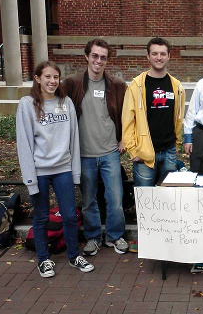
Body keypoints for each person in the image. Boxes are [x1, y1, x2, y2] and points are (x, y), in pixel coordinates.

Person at [16, 61, 94, 277]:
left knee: (69, 216)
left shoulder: (65, 102)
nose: (52, 81)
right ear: (38, 78)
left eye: (55, 77)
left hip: (63, 169)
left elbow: (73, 138)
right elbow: (24, 142)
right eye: (47, 77)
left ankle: (73, 256)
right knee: (41, 217)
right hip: (39, 171)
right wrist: (30, 178)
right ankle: (43, 259)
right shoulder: (27, 104)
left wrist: (75, 171)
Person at [62, 39, 129, 256]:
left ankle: (115, 236)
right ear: (86, 56)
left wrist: (124, 139)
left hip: (110, 152)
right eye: (95, 56)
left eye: (103, 57)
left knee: (115, 200)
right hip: (84, 154)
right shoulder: (72, 83)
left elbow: (128, 115)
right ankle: (92, 237)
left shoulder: (117, 86)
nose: (98, 61)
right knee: (89, 200)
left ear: (107, 60)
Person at [122, 37, 186, 185]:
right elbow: (127, 120)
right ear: (148, 56)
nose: (159, 57)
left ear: (169, 56)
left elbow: (177, 117)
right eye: (155, 54)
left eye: (163, 54)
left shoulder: (176, 86)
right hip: (144, 153)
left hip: (169, 151)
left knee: (167, 197)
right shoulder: (136, 85)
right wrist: (133, 150)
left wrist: (176, 144)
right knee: (145, 198)